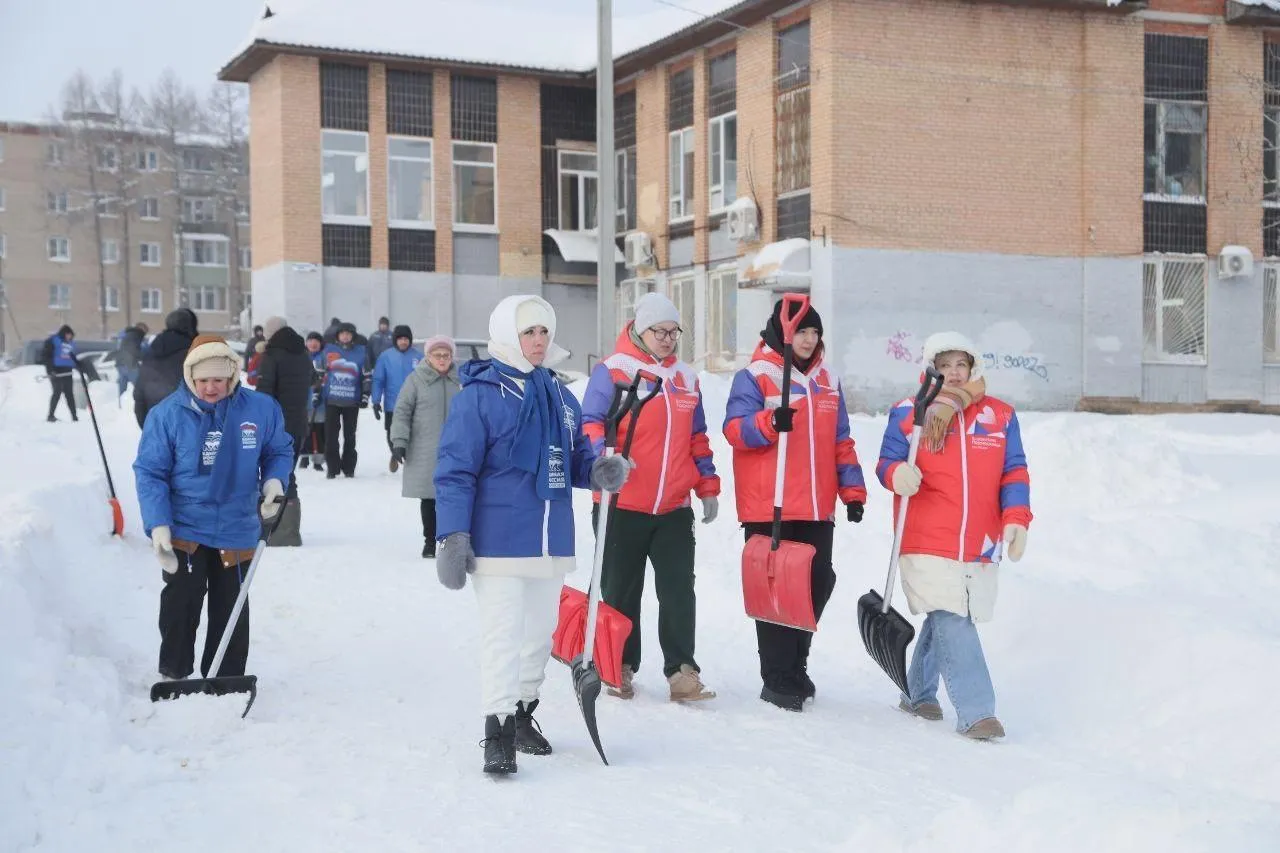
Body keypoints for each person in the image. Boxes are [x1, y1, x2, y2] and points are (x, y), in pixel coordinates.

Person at [434, 295, 631, 776]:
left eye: (544, 331)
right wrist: (453, 535)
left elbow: (576, 459)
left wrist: (599, 470)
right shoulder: (479, 397)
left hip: (550, 541)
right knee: (502, 636)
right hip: (498, 540)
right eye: (529, 332)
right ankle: (496, 730)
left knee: (539, 637)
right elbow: (455, 471)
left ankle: (523, 713)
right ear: (506, 335)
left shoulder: (560, 396)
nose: (539, 341)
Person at [876, 331, 1031, 741]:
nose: (954, 373)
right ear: (931, 370)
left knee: (947, 613)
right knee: (952, 616)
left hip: (979, 539)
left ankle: (917, 692)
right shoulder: (911, 412)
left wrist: (1017, 516)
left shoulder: (999, 416)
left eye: (960, 364)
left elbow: (1013, 470)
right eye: (944, 366)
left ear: (973, 366)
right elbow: (887, 462)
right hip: (925, 535)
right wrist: (897, 474)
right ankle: (978, 711)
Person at [723, 298, 868, 712]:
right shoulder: (757, 376)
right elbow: (734, 430)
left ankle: (796, 662)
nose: (809, 339)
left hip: (817, 504)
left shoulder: (827, 381)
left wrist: (852, 492)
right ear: (784, 332)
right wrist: (768, 424)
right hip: (771, 504)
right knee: (774, 590)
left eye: (815, 332)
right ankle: (777, 676)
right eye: (802, 331)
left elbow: (842, 440)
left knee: (816, 582)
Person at [581, 293, 719, 703]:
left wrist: (707, 485)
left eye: (674, 332)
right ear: (642, 330)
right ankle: (619, 664)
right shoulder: (614, 370)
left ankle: (681, 672)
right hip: (622, 504)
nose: (668, 339)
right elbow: (591, 423)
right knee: (622, 589)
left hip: (674, 507)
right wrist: (602, 464)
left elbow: (698, 438)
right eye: (660, 331)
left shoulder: (687, 378)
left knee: (678, 590)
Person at [133, 334, 294, 682]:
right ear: (191, 377)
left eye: (218, 380)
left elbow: (278, 450)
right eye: (203, 380)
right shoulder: (167, 416)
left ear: (232, 376)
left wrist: (274, 482)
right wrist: (158, 524)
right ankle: (174, 672)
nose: (210, 388)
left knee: (231, 607)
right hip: (185, 525)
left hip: (237, 526)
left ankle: (225, 675)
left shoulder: (260, 409)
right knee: (181, 602)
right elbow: (151, 472)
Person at [390, 335, 461, 557]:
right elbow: (402, 412)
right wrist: (399, 442)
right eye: (437, 355)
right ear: (428, 357)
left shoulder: (460, 381)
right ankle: (430, 542)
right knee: (430, 498)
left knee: (454, 497)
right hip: (425, 448)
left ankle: (451, 541)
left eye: (446, 355)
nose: (442, 359)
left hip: (456, 449)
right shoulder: (415, 380)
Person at [255, 316, 315, 546]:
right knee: (287, 473)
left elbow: (264, 393)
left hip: (275, 425)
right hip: (298, 422)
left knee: (274, 474)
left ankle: (277, 529)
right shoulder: (303, 354)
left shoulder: (272, 356)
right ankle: (288, 528)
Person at [319, 322, 370, 478]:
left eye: (348, 333)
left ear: (353, 336)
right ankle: (332, 468)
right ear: (338, 336)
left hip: (352, 401)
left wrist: (365, 395)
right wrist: (316, 393)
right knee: (331, 436)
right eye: (342, 333)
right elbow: (320, 374)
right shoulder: (328, 351)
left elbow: (367, 376)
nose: (345, 336)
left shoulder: (361, 352)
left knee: (350, 435)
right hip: (332, 400)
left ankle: (348, 467)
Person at [134, 308, 198, 428]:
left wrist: (146, 425)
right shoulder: (193, 353)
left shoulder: (151, 352)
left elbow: (139, 392)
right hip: (186, 426)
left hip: (154, 422)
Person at [371, 324, 422, 472]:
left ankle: (407, 458)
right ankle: (395, 452)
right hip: (392, 404)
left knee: (413, 432)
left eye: (406, 339)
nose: (403, 342)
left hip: (415, 403)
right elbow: (378, 380)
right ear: (395, 340)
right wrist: (375, 401)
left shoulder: (419, 357)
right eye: (400, 339)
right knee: (392, 432)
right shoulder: (385, 356)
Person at [299, 332, 327, 472]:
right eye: (310, 341)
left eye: (316, 341)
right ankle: (304, 456)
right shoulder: (302, 357)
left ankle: (318, 459)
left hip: (321, 401)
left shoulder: (324, 357)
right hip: (305, 398)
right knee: (306, 430)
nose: (313, 344)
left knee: (319, 430)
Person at [42, 325, 79, 422]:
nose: (70, 337)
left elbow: (72, 356)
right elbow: (47, 356)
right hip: (55, 370)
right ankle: (50, 415)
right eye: (68, 335)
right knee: (57, 392)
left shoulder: (71, 343)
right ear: (64, 333)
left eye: (71, 336)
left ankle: (74, 417)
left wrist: (78, 365)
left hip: (67, 371)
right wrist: (50, 370)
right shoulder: (52, 341)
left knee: (69, 394)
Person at [116, 323, 149, 404]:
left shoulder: (128, 334)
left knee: (122, 388)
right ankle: (142, 405)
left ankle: (120, 406)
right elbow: (134, 350)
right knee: (140, 386)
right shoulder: (136, 335)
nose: (145, 333)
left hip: (120, 363)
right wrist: (143, 356)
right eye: (145, 330)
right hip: (130, 364)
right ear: (141, 328)